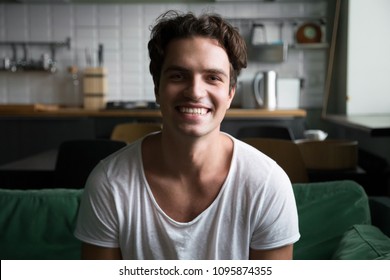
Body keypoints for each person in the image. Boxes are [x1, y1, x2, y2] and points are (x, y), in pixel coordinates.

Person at [74, 10, 300, 260]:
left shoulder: (267, 184)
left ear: (230, 94)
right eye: (178, 76)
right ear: (157, 89)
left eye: (212, 77)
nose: (194, 91)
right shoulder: (109, 183)